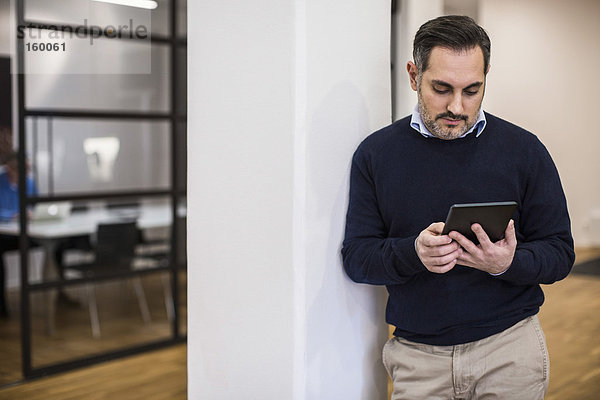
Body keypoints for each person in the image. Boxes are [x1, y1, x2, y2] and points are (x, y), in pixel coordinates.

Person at [341, 15, 574, 400]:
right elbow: (357, 257)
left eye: (472, 90)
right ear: (414, 76)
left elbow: (561, 253)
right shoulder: (376, 154)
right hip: (418, 360)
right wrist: (413, 253)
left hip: (509, 351)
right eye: (441, 88)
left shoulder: (525, 151)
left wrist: (506, 263)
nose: (456, 106)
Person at [0, 151, 37, 318]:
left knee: (59, 245)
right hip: (6, 234)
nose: (26, 173)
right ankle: (2, 305)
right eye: (22, 169)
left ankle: (59, 293)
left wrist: (31, 213)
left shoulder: (29, 183)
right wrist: (13, 215)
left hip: (27, 232)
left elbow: (36, 205)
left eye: (28, 168)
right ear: (10, 168)